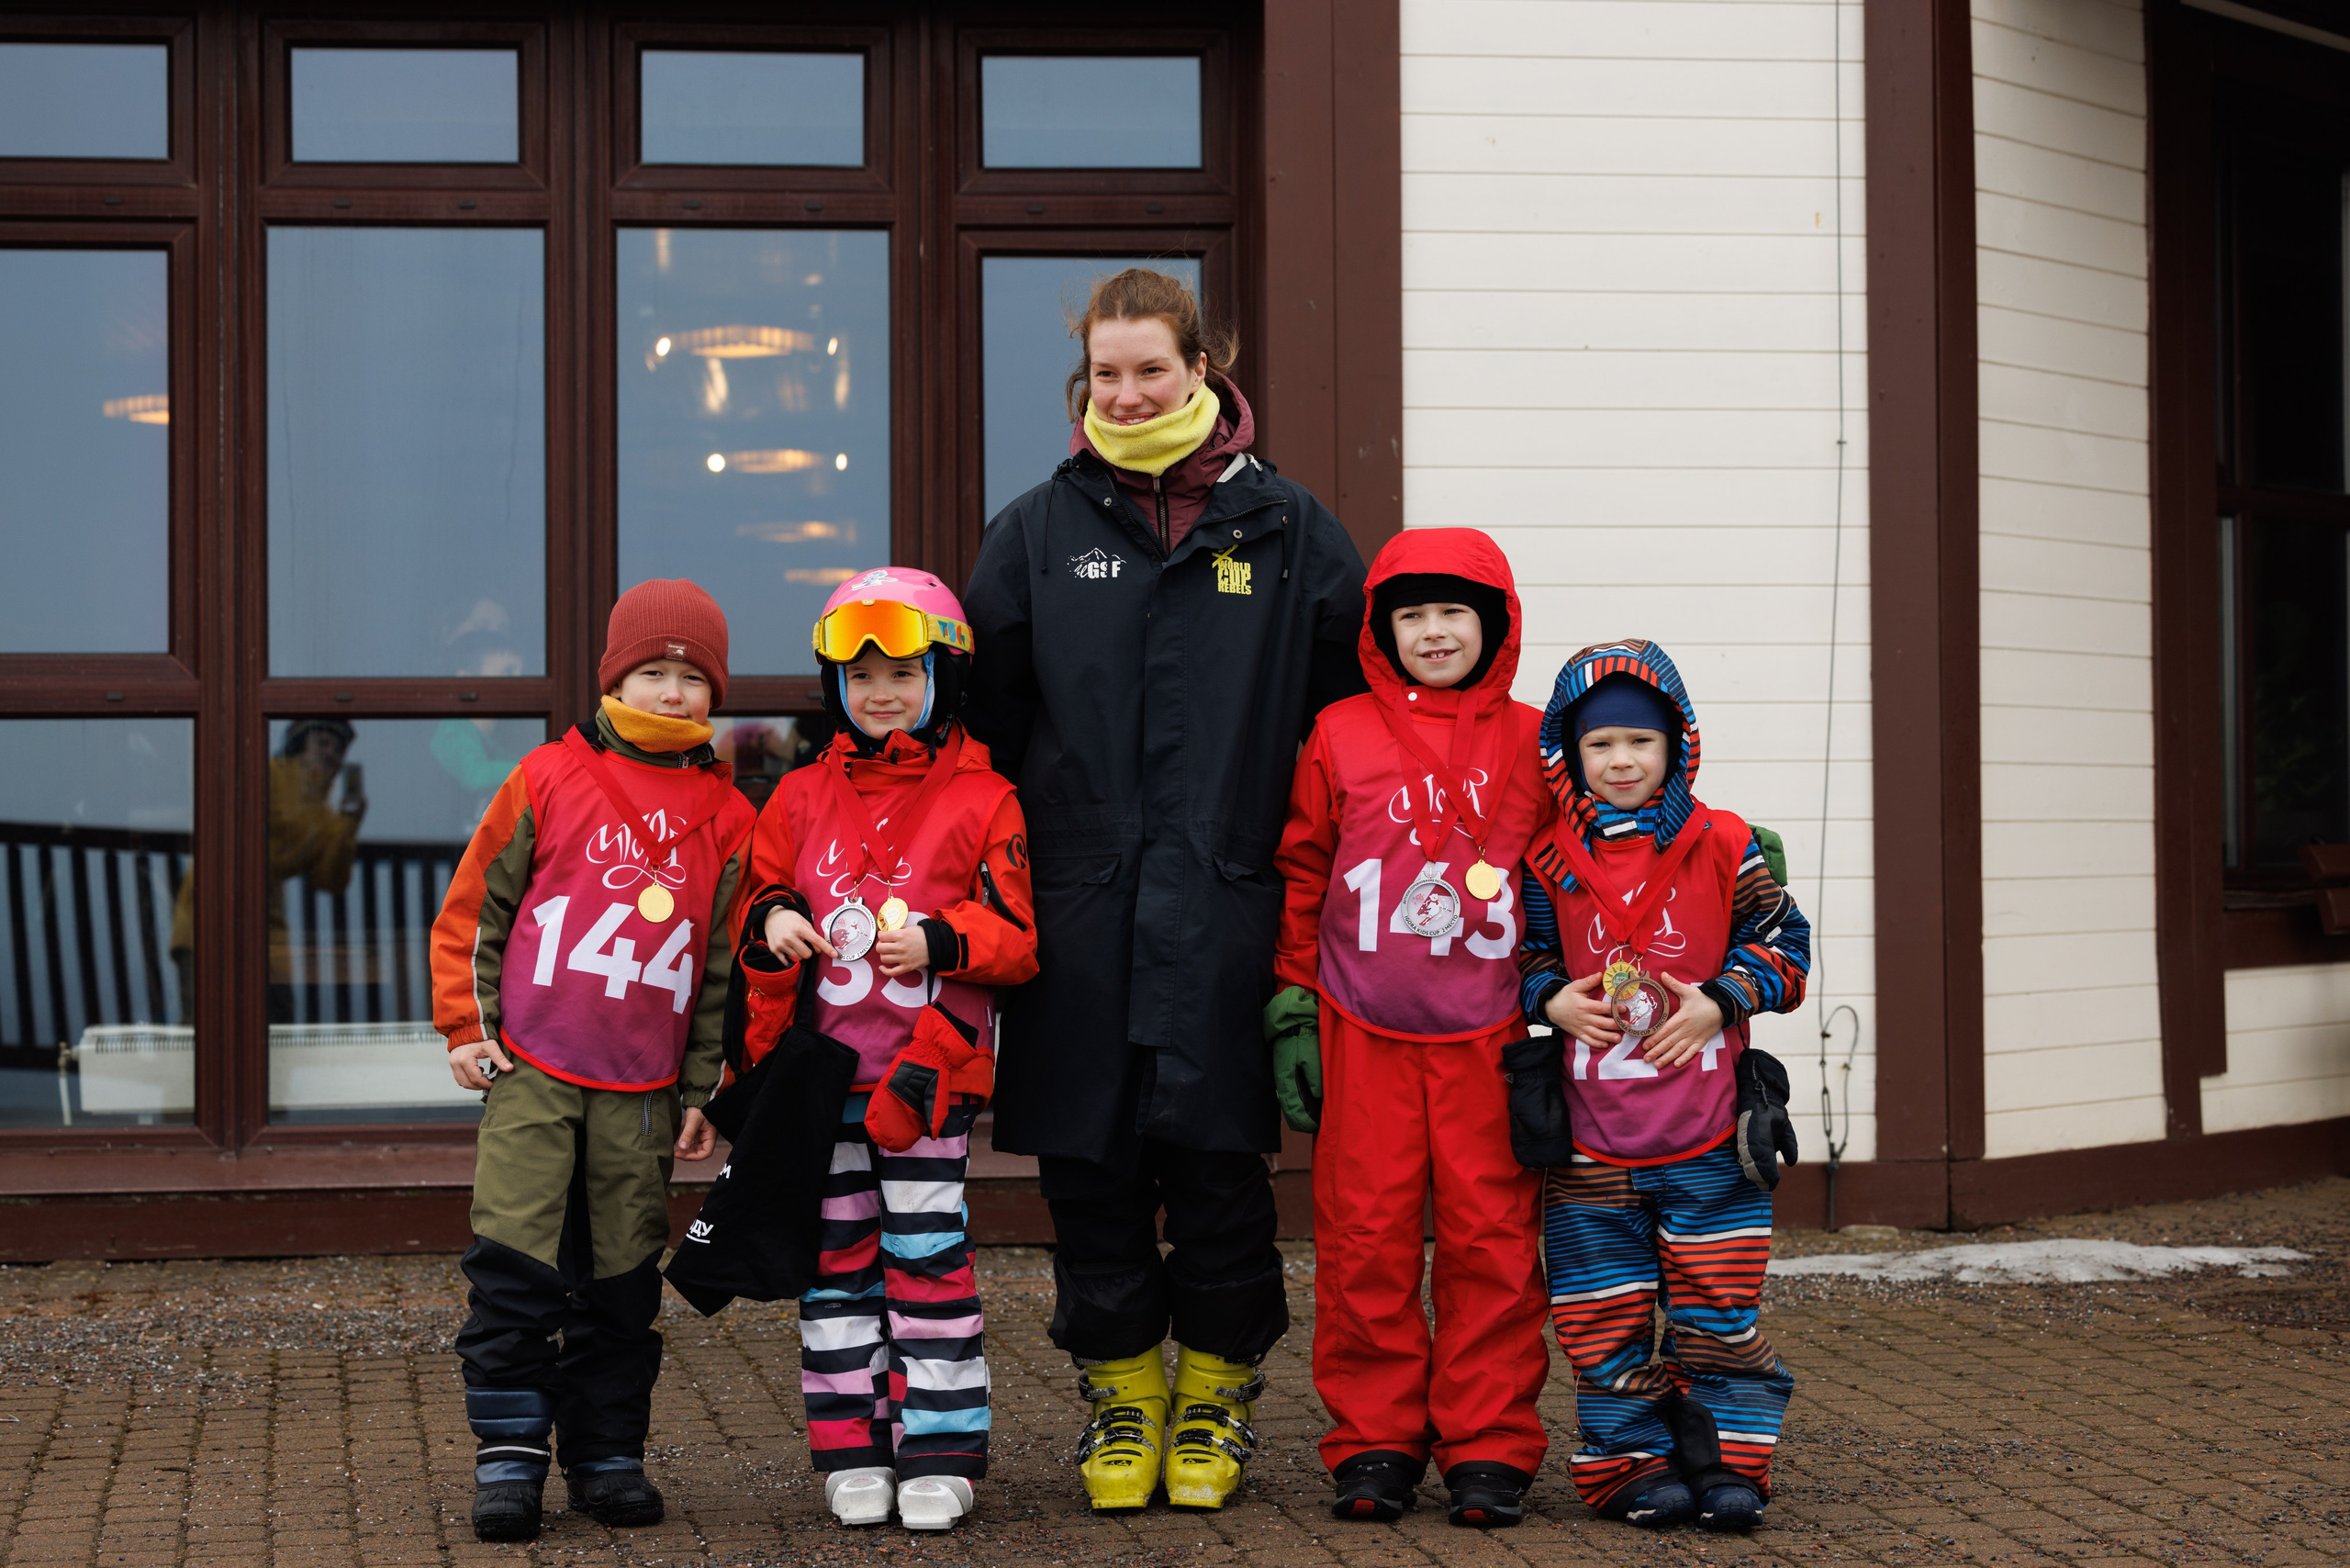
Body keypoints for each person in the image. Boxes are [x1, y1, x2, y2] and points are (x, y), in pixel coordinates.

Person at [962, 267, 1369, 1513]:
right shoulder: (1036, 531)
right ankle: (1123, 1401)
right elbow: (978, 733)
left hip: (1231, 910)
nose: (1128, 395)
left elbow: (1352, 742)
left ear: (1204, 367)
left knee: (1215, 1177)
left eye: (1151, 369)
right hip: (1077, 920)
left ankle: (1215, 1403)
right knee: (1089, 1175)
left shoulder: (1292, 532)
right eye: (1106, 374)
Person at [430, 579, 756, 1543]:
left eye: (691, 678)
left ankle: (607, 1454)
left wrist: (709, 1091)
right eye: (652, 672)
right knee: (515, 1267)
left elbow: (720, 977)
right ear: (616, 676)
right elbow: (473, 913)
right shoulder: (545, 776)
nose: (671, 693)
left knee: (623, 1283)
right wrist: (465, 1024)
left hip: (646, 1092)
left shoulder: (731, 819)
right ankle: (510, 1457)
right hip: (533, 1068)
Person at [733, 567, 1036, 1533]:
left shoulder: (986, 797)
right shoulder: (794, 795)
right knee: (836, 1272)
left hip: (923, 1081)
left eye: (901, 671)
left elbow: (1019, 939)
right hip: (823, 1083)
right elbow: (762, 896)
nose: (880, 692)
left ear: (940, 674)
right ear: (834, 689)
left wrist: (946, 939)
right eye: (859, 675)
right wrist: (775, 921)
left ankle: (940, 1449)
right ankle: (851, 1448)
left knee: (928, 1266)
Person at [1264, 529, 1555, 1528]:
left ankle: (1487, 1441)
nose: (1433, 632)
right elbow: (1305, 871)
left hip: (1490, 1035)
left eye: (1454, 613)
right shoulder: (1339, 731)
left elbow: (1586, 852)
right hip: (1364, 1028)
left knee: (1492, 1242)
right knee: (1366, 1241)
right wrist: (1294, 1004)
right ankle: (1376, 1438)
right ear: (1382, 630)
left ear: (1495, 626)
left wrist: (1710, 837)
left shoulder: (1533, 740)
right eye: (1412, 615)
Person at [1516, 640, 1809, 1533]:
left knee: (1718, 1314)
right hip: (1589, 1153)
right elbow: (1518, 959)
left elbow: (1786, 947)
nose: (1620, 761)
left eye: (1639, 743)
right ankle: (1632, 1468)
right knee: (1602, 1325)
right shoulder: (1544, 861)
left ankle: (1729, 1465)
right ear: (1567, 755)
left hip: (1710, 1145)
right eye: (1599, 744)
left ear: (1677, 745)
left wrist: (1722, 1000)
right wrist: (1550, 998)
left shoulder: (1724, 842)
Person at [168, 718, 367, 1025]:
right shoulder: (267, 776)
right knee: (203, 1026)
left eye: (338, 750)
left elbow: (331, 880)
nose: (332, 754)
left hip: (265, 926)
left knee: (277, 1023)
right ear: (299, 747)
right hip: (207, 913)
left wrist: (348, 822)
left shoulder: (326, 818)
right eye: (322, 744)